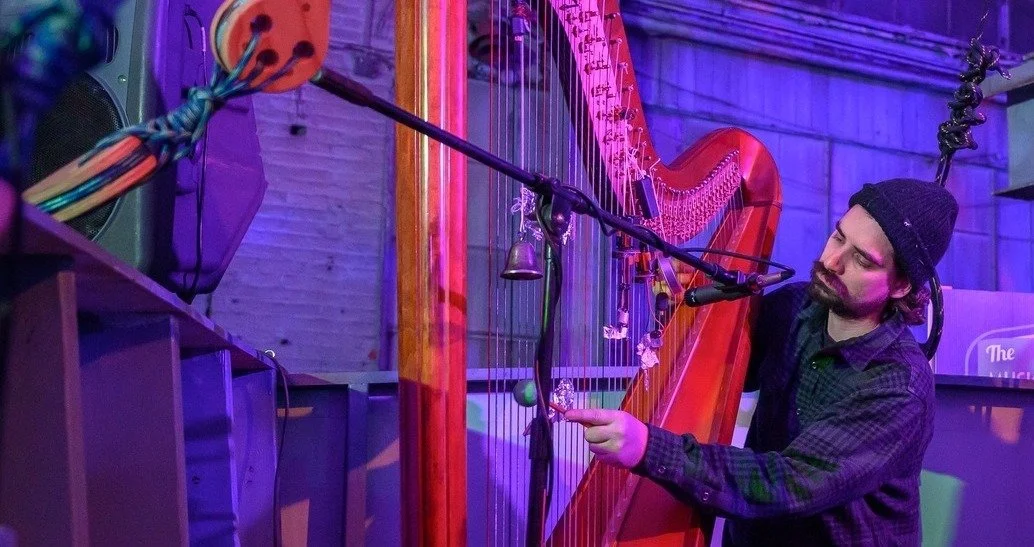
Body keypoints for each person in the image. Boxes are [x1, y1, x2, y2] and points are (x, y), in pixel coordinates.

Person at [565, 178, 959, 546]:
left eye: (862, 260)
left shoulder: (898, 385)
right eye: (838, 236)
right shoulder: (799, 305)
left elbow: (788, 484)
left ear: (901, 285)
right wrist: (683, 296)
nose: (831, 261)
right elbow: (728, 367)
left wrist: (649, 448)